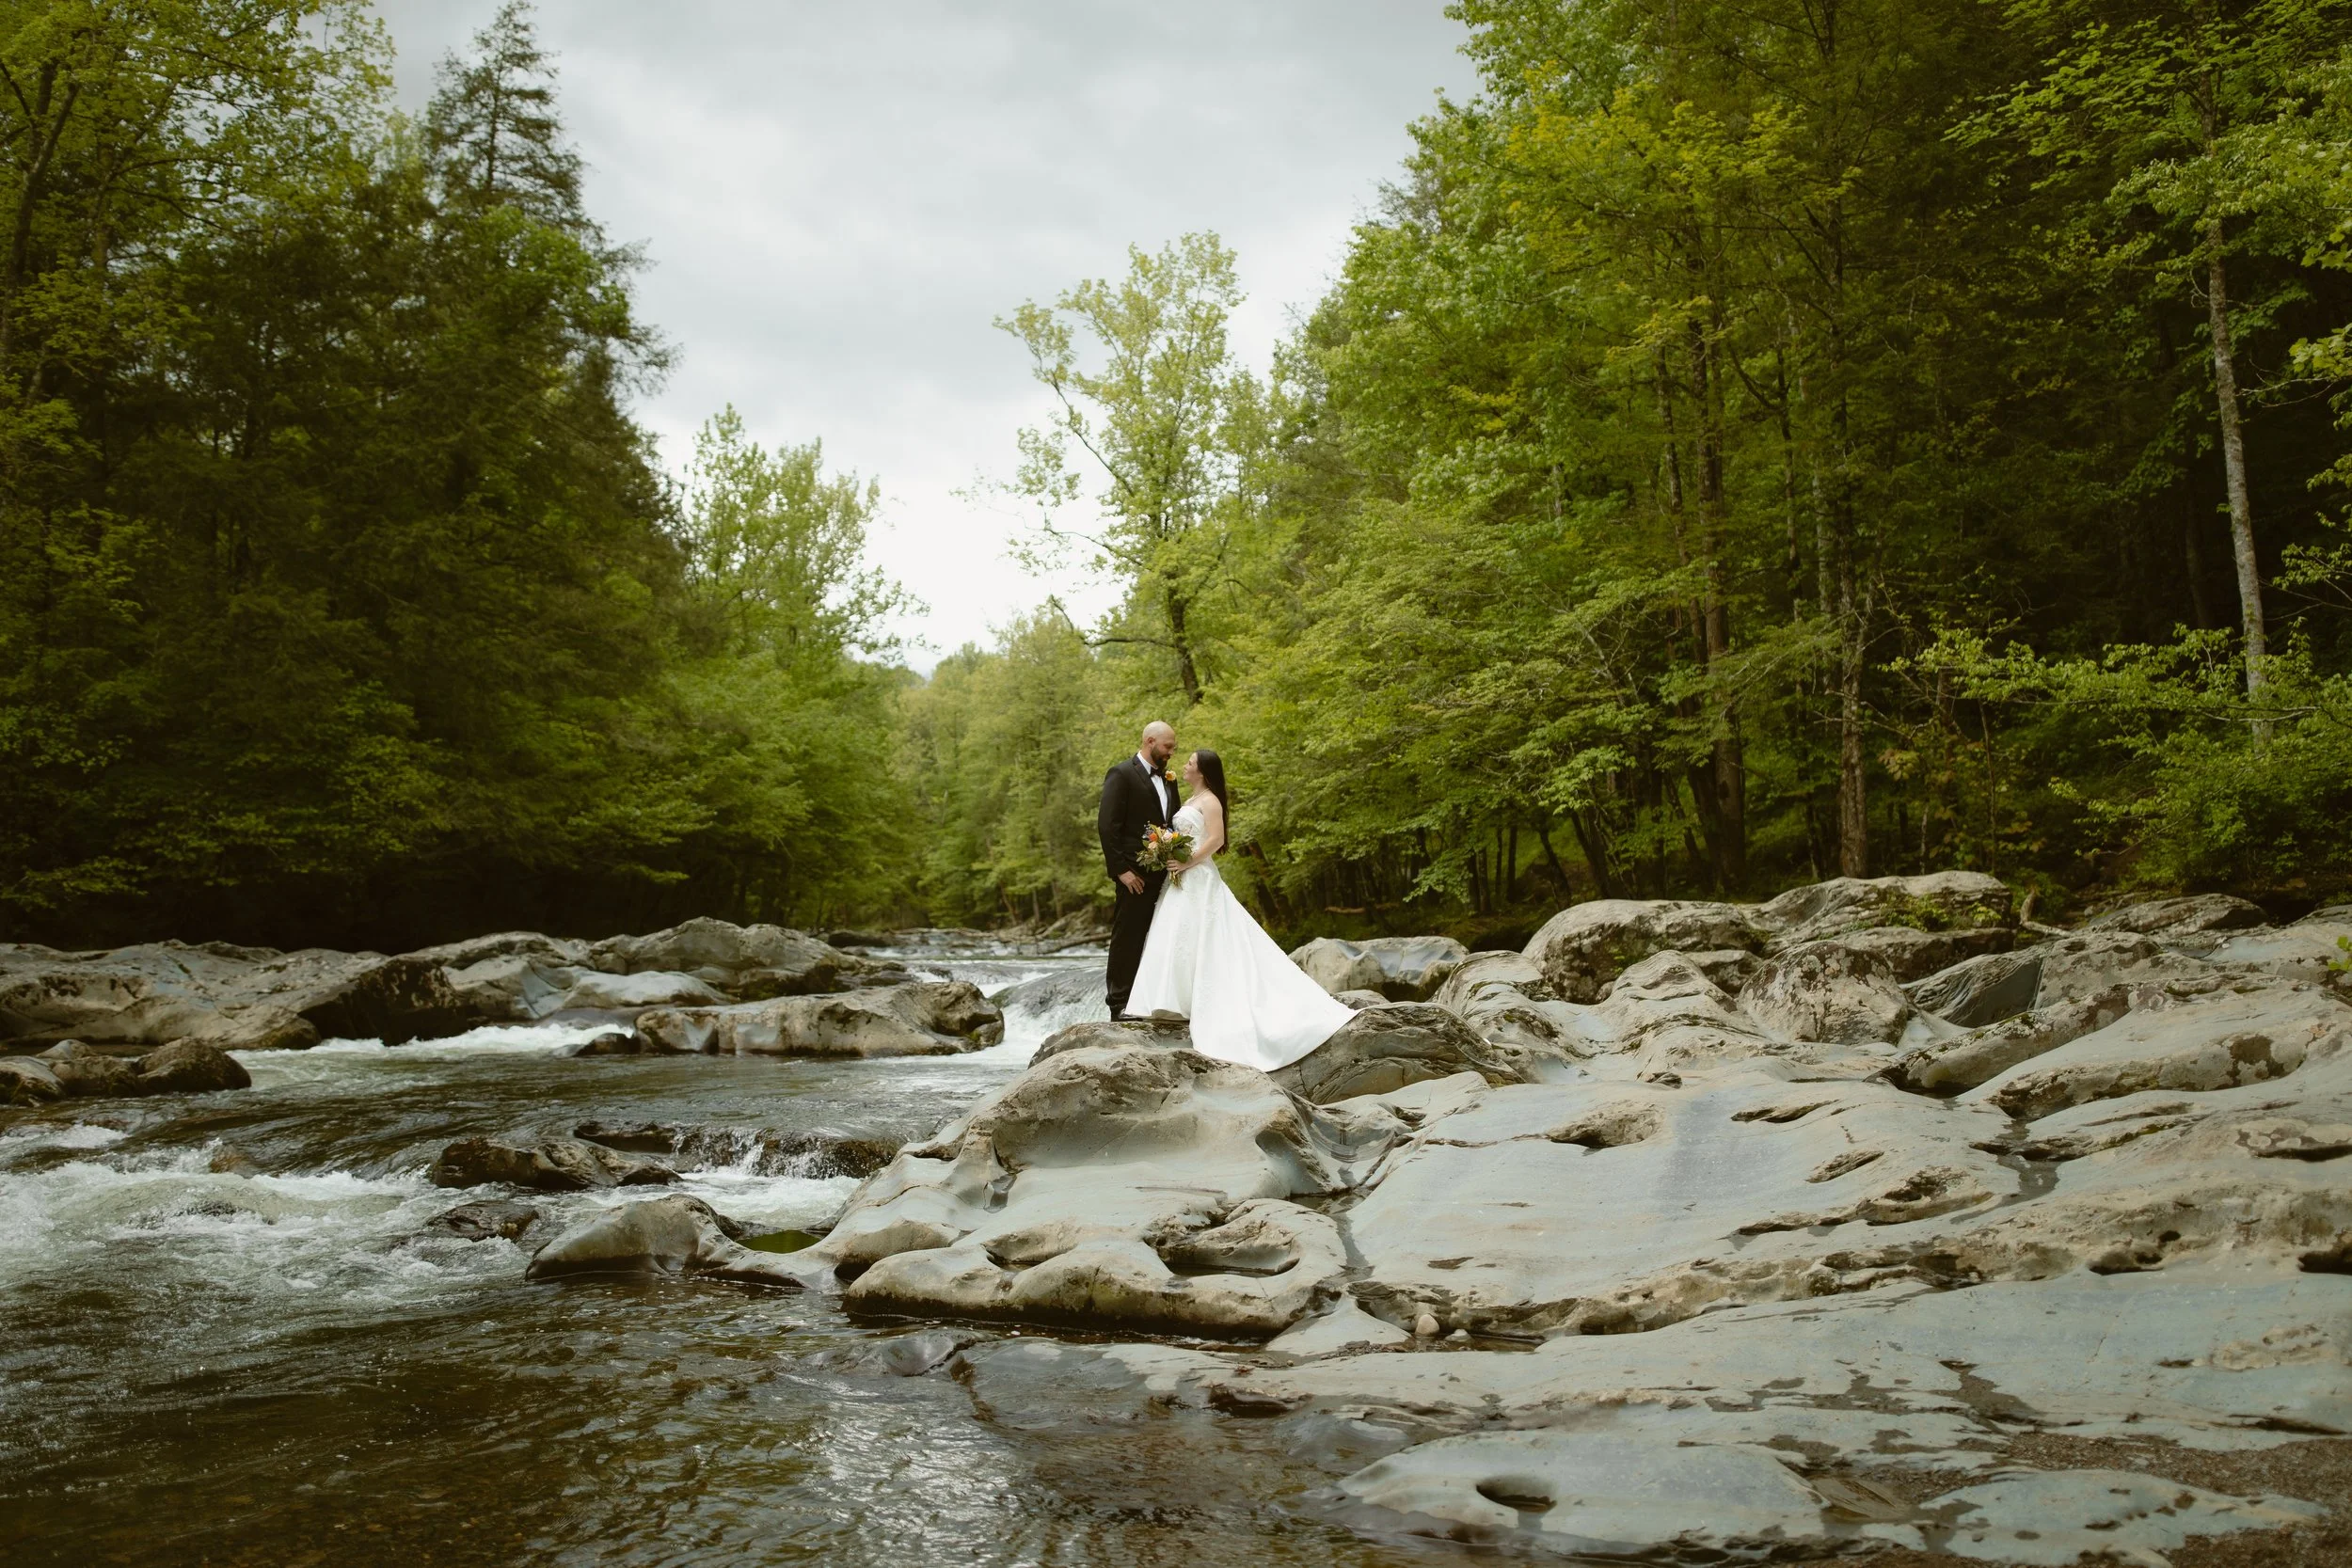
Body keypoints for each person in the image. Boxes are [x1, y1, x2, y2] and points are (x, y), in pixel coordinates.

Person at [1128, 748, 1353, 1070]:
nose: (1185, 765)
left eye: (1190, 762)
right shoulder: (1192, 800)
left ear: (1202, 771)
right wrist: (1166, 851)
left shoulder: (1211, 801)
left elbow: (1216, 839)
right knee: (1177, 934)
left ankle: (1212, 1002)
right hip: (1181, 876)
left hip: (1199, 876)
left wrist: (1188, 861)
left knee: (1207, 936)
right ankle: (1175, 1001)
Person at [1097, 721, 1177, 1019]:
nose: (1171, 753)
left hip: (1165, 874)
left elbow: (1172, 823)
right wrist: (1121, 871)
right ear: (1150, 741)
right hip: (1134, 875)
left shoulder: (1169, 778)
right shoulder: (1122, 774)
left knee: (1157, 936)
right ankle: (1119, 1004)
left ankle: (1146, 1001)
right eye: (1167, 747)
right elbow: (1108, 826)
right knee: (1128, 936)